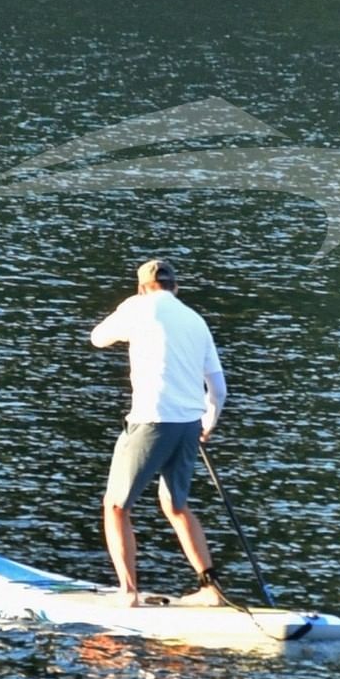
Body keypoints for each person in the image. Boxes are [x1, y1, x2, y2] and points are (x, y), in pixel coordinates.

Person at [89, 258, 229, 607]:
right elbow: (219, 389)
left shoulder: (138, 307)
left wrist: (128, 309)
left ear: (142, 286)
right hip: (189, 425)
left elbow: (98, 338)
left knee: (116, 505)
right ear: (175, 287)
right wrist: (208, 424)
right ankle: (210, 590)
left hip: (151, 421)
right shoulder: (196, 320)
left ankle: (129, 593)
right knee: (176, 505)